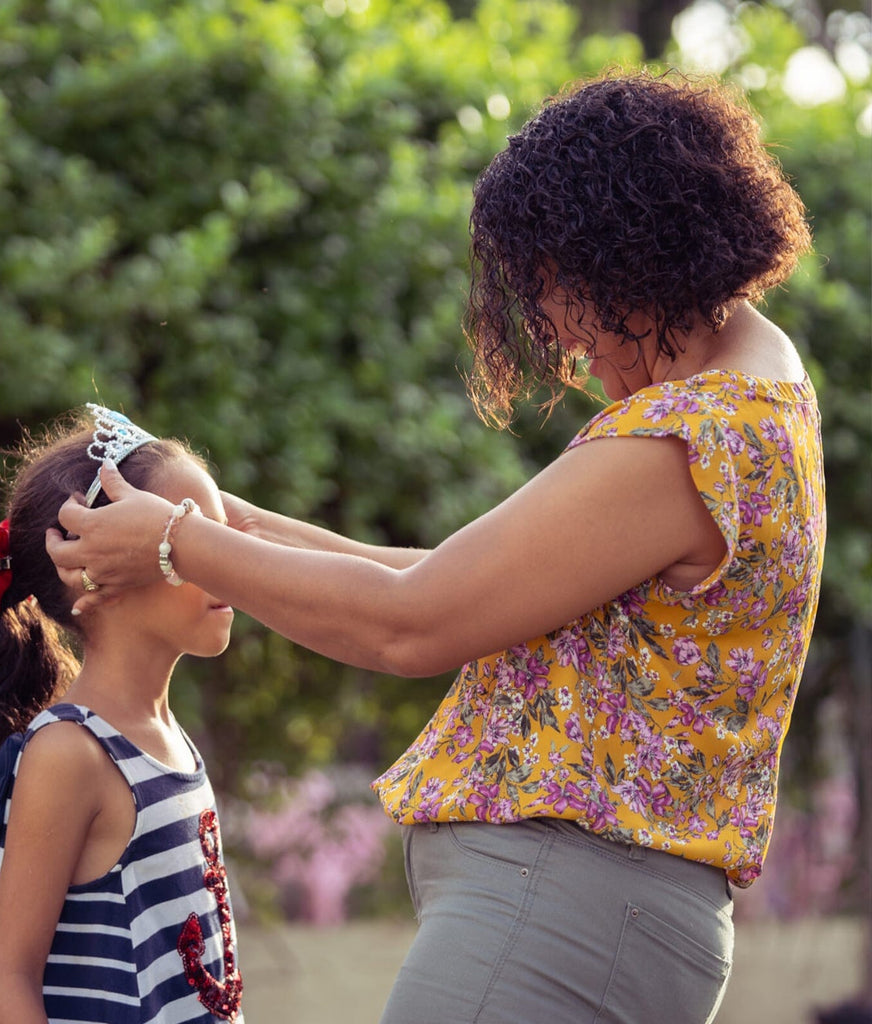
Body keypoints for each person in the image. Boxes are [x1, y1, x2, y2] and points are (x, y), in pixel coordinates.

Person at [46, 70, 825, 1024]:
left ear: (623, 257)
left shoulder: (688, 437)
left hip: (563, 914)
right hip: (589, 916)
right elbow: (455, 584)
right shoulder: (757, 394)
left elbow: (412, 629)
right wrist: (237, 529)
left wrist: (175, 545)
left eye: (556, 296)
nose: (564, 342)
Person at [0, 405, 244, 1024]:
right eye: (184, 536)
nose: (225, 557)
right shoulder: (70, 753)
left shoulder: (169, 740)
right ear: (92, 575)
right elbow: (9, 984)